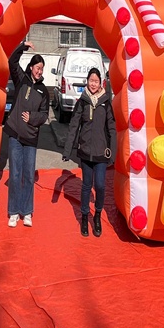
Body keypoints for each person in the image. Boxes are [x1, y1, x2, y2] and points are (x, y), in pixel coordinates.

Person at [62, 67, 117, 238]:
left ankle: (98, 215)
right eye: (91, 81)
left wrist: (113, 153)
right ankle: (85, 217)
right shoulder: (82, 102)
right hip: (85, 151)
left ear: (101, 83)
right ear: (87, 81)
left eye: (96, 81)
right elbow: (74, 125)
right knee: (86, 185)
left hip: (101, 152)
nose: (93, 84)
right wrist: (67, 149)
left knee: (99, 185)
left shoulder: (106, 102)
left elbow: (112, 129)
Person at [3, 40, 49, 227]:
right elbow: (12, 62)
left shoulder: (43, 91)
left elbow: (45, 115)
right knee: (15, 174)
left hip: (31, 138)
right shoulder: (21, 80)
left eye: (41, 68)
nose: (39, 71)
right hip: (15, 134)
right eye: (37, 67)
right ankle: (14, 212)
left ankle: (27, 211)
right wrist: (22, 46)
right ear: (31, 67)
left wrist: (32, 117)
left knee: (29, 175)